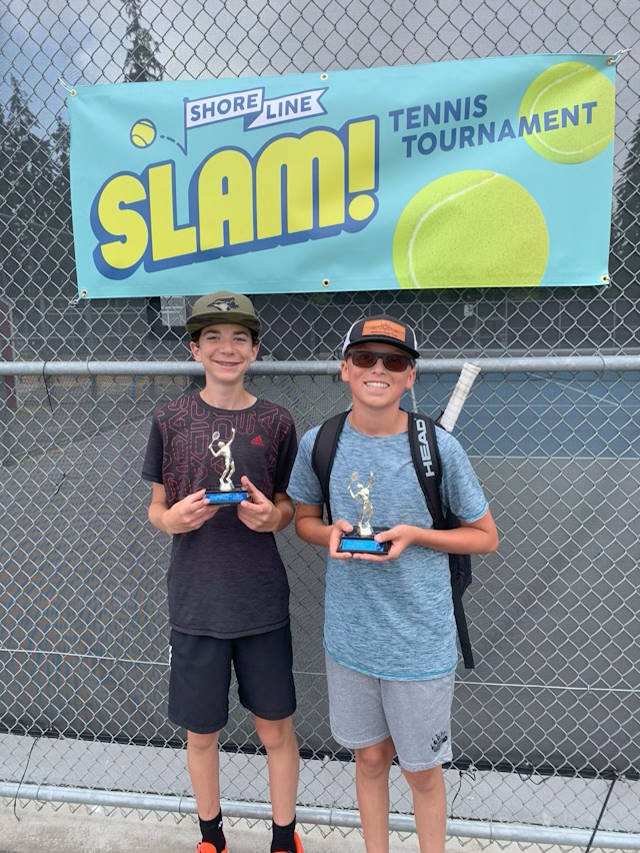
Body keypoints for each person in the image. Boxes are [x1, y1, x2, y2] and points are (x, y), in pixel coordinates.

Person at [286, 314, 498, 853]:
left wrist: (417, 536)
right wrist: (327, 533)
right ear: (343, 369)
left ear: (411, 377)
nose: (377, 370)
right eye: (364, 358)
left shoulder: (436, 448)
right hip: (351, 641)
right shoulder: (322, 442)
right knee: (371, 759)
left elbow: (484, 536)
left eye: (395, 361)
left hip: (419, 644)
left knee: (422, 772)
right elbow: (305, 520)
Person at [142, 291, 303, 853]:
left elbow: (288, 507)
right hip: (196, 604)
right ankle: (212, 836)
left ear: (255, 348)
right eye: (213, 337)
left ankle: (284, 838)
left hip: (260, 603)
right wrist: (174, 521)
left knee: (275, 728)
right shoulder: (170, 418)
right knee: (202, 732)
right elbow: (157, 510)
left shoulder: (277, 421)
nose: (226, 348)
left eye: (238, 337)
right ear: (194, 348)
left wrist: (271, 519)